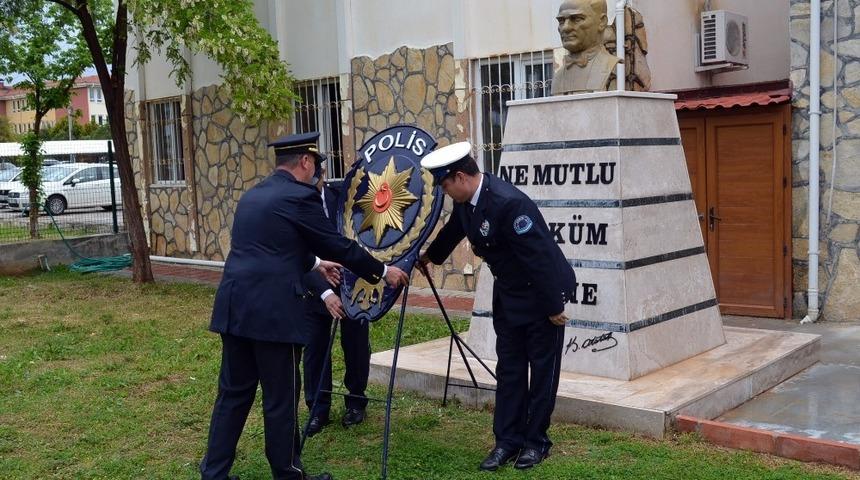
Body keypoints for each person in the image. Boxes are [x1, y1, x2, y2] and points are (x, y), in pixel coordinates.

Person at [200, 132, 410, 480]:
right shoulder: (300, 196)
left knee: (233, 395)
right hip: (273, 316)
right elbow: (337, 245)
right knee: (280, 399)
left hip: (235, 308)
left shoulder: (253, 195)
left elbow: (271, 247)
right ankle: (288, 473)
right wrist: (383, 271)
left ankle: (214, 474)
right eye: (315, 163)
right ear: (306, 161)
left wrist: (314, 264)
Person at [419, 141, 575, 472]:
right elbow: (454, 231)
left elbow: (540, 257)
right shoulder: (467, 203)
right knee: (510, 371)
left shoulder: (509, 203)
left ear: (461, 177)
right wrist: (429, 257)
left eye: (445, 185)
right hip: (509, 296)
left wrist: (554, 305)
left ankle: (536, 443)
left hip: (541, 295)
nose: (445, 192)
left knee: (542, 372)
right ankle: (507, 441)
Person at [301, 169, 372, 437]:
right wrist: (324, 292)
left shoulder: (342, 195)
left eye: (313, 178)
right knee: (315, 348)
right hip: (316, 285)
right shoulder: (296, 204)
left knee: (356, 345)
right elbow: (298, 253)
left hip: (352, 282)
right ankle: (318, 409)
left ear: (322, 176)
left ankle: (356, 401)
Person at [551, 0, 619, 94]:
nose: (565, 28)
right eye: (561, 21)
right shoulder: (558, 77)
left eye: (577, 19)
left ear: (602, 22)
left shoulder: (610, 66)